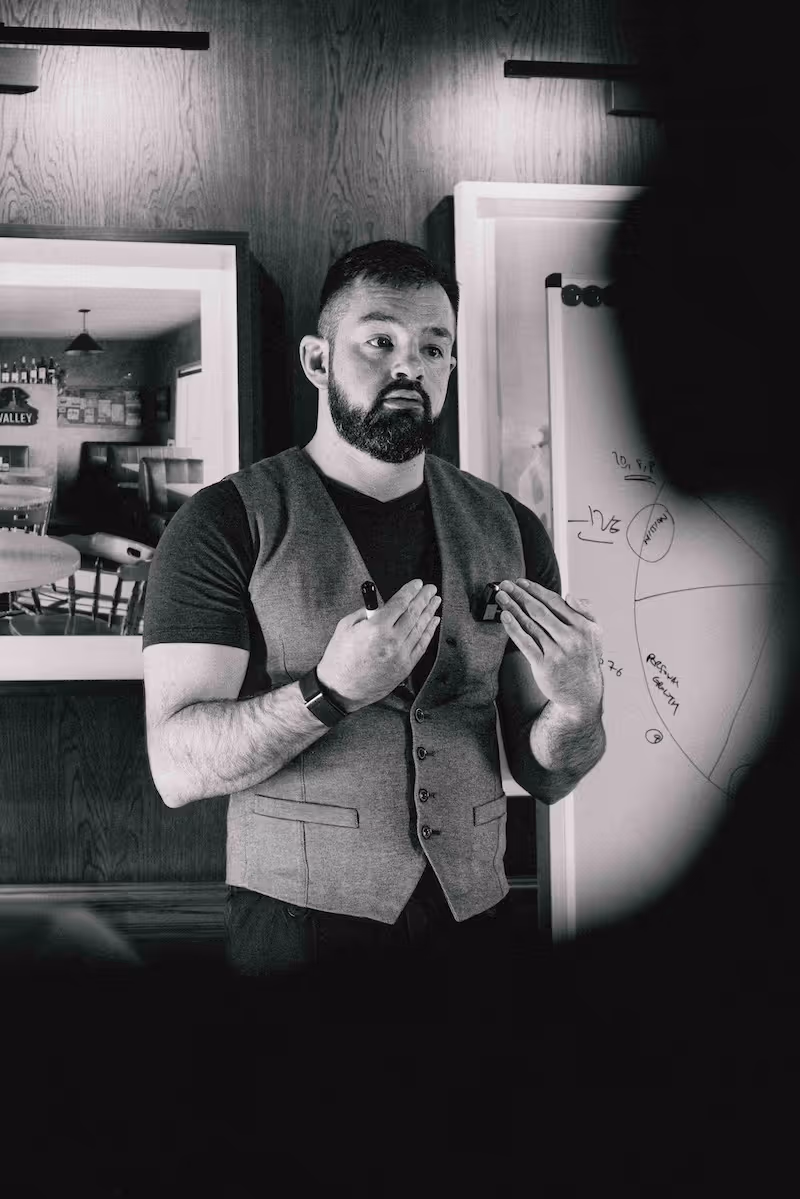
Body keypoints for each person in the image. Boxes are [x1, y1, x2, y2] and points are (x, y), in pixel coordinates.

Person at [141, 239, 607, 1021]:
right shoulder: (223, 523)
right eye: (380, 341)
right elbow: (175, 765)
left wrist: (577, 707)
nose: (409, 367)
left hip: (474, 926)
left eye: (433, 347)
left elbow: (550, 775)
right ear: (317, 359)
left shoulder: (511, 528)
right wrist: (328, 691)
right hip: (298, 932)